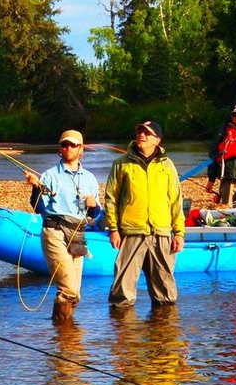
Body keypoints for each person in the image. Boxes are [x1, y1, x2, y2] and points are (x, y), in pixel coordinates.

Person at [105, 120, 185, 307]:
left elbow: (176, 201)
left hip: (161, 232)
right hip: (131, 232)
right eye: (139, 132)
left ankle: (164, 325)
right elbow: (111, 199)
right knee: (121, 295)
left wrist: (179, 233)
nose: (141, 135)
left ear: (157, 140)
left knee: (166, 295)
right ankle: (123, 325)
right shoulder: (121, 164)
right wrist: (114, 229)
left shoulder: (168, 165)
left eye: (147, 133)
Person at [23, 130, 100, 322]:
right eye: (64, 145)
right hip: (54, 232)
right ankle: (64, 331)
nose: (68, 148)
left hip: (78, 235)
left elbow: (94, 214)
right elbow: (38, 208)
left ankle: (63, 333)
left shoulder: (90, 178)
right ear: (60, 148)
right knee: (69, 290)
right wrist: (36, 188)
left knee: (74, 295)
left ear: (81, 149)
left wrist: (93, 205)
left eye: (73, 145)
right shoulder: (49, 176)